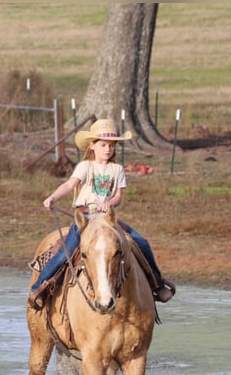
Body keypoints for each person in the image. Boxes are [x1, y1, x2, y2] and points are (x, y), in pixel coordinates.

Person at [28, 118, 175, 310]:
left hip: (107, 219)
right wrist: (53, 198)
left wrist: (108, 203)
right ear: (93, 145)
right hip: (85, 218)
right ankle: (39, 287)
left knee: (141, 243)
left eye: (112, 146)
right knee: (65, 254)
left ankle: (157, 284)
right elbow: (69, 185)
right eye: (103, 145)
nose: (108, 149)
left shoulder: (117, 169)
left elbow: (118, 197)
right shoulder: (85, 166)